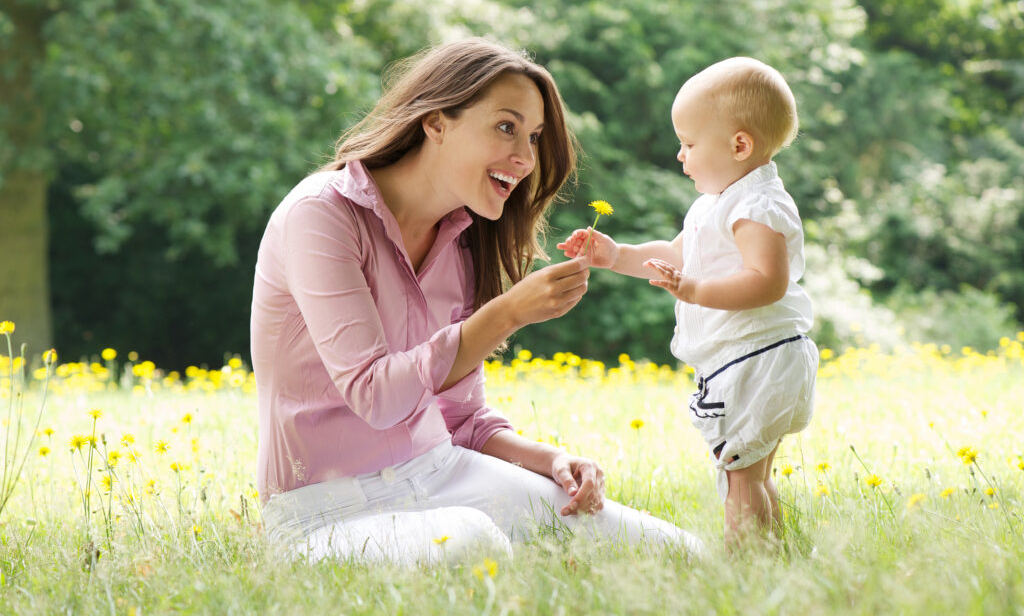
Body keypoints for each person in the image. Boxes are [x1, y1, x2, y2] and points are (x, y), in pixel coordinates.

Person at [250, 38, 702, 566]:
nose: (526, 158)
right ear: (437, 122)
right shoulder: (321, 215)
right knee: (471, 541)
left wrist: (553, 460)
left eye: (533, 137)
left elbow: (462, 421)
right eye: (506, 127)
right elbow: (374, 396)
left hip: (442, 472)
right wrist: (506, 313)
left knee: (678, 555)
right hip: (326, 511)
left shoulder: (462, 241)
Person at [558, 57, 817, 544]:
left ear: (740, 145)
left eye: (690, 143)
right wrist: (616, 255)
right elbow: (676, 256)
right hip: (749, 358)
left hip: (758, 358)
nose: (680, 155)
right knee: (750, 475)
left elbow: (767, 281)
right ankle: (772, 560)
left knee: (741, 476)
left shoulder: (756, 205)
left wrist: (695, 290)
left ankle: (745, 569)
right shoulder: (717, 202)